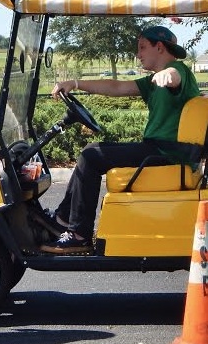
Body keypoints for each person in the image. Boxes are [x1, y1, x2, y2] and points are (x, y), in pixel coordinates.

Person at [36, 26, 199, 255]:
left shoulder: (177, 70)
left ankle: (79, 235)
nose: (138, 54)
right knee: (92, 150)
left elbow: (175, 77)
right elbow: (116, 86)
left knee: (91, 157)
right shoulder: (151, 81)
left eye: (142, 47)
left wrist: (167, 76)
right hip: (158, 150)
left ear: (159, 47)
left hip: (167, 154)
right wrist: (75, 83)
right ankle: (63, 219)